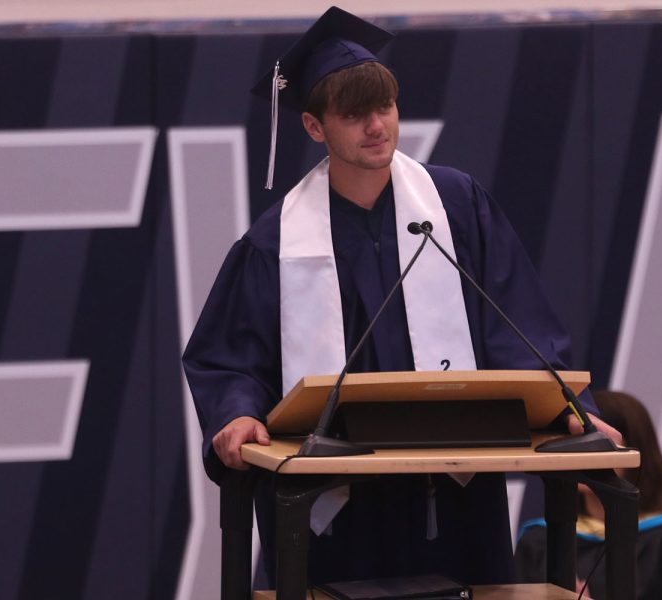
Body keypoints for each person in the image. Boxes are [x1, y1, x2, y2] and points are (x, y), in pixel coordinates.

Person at [182, 6, 618, 588]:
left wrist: (568, 402)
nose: (377, 126)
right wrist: (235, 412)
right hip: (337, 501)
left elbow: (518, 321)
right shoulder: (276, 242)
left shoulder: (456, 208)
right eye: (355, 114)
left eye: (384, 107)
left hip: (454, 482)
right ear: (315, 127)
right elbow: (229, 356)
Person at [514, 390, 662, 600]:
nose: (581, 452)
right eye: (570, 440)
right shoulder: (538, 541)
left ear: (634, 449)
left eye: (595, 441)